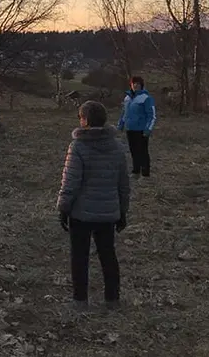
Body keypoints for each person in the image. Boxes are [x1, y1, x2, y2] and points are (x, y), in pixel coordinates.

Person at [57, 101, 130, 311]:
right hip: (108, 214)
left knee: (79, 257)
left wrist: (63, 208)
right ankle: (112, 300)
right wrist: (123, 211)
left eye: (81, 117)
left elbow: (70, 182)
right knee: (108, 255)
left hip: (81, 214)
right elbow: (123, 183)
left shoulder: (78, 146)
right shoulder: (117, 147)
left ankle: (80, 302)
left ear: (86, 120)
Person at [117, 76, 156, 177]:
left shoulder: (146, 98)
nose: (135, 85)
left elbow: (151, 115)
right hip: (130, 128)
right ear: (130, 85)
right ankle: (136, 171)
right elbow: (124, 112)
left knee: (143, 151)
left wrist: (148, 128)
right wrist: (120, 124)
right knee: (133, 150)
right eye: (133, 83)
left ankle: (145, 172)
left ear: (141, 85)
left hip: (141, 129)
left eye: (138, 84)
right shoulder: (127, 98)